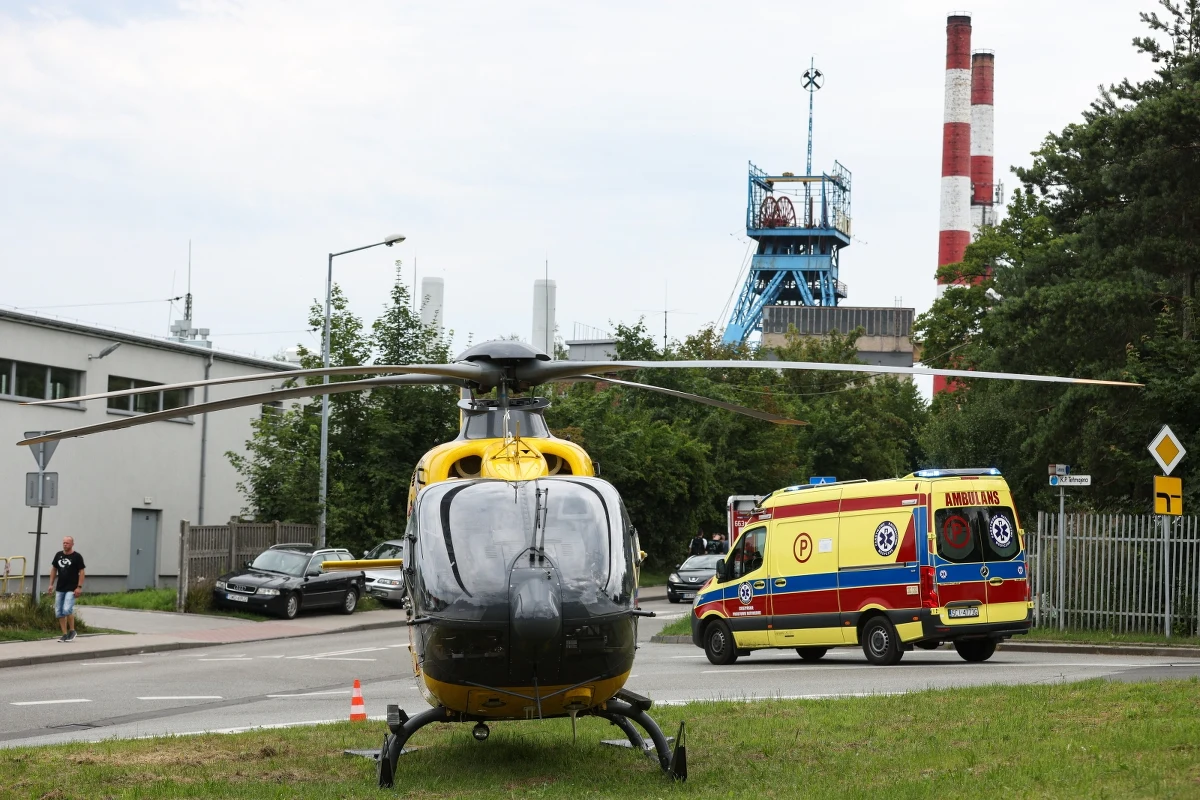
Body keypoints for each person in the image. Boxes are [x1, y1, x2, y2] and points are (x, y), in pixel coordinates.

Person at [46, 536, 86, 642]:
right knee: (59, 611)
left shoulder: (77, 557)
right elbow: (54, 569)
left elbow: (82, 572)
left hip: (71, 588)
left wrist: (79, 587)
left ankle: (72, 631)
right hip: (60, 587)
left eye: (67, 543)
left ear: (72, 544)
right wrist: (51, 584)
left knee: (67, 609)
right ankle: (64, 634)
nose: (65, 544)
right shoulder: (58, 555)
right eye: (64, 543)